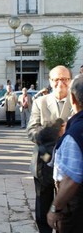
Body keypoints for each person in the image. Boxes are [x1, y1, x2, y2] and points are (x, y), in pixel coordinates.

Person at [27, 65, 72, 233]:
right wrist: (54, 130)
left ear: (70, 81)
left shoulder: (77, 101)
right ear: (50, 81)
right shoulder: (40, 102)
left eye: (65, 79)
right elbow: (32, 132)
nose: (61, 83)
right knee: (43, 207)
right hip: (44, 162)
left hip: (70, 165)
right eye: (56, 79)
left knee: (68, 208)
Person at [47, 75, 83, 233]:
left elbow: (72, 179)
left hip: (75, 206)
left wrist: (55, 208)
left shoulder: (75, 131)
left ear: (73, 99)